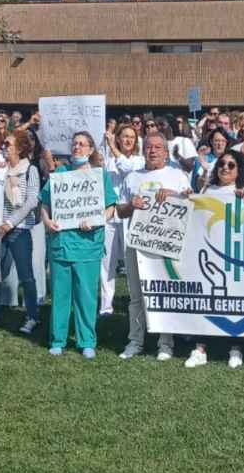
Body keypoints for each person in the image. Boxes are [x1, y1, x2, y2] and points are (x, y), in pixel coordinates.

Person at [38, 132, 117, 358]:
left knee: (86, 295)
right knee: (61, 295)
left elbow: (111, 208)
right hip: (61, 244)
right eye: (74, 144)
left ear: (91, 150)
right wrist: (47, 221)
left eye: (82, 144)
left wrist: (96, 221)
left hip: (88, 245)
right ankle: (58, 339)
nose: (77, 147)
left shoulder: (98, 176)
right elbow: (44, 203)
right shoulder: (60, 174)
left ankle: (87, 341)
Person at [117, 132, 191, 359]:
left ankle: (165, 344)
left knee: (163, 293)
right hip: (137, 243)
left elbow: (191, 202)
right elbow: (119, 210)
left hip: (165, 244)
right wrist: (131, 205)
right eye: (148, 147)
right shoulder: (131, 177)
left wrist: (175, 195)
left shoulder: (177, 175)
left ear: (166, 153)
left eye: (158, 147)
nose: (152, 151)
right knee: (136, 296)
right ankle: (135, 341)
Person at [185, 149, 244, 369]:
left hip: (236, 255)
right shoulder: (207, 189)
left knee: (236, 300)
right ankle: (200, 347)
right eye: (222, 164)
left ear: (239, 170)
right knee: (207, 298)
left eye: (231, 165)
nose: (225, 168)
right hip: (209, 251)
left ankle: (235, 348)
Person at [0, 130, 42, 335]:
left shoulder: (30, 170)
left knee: (26, 276)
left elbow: (32, 201)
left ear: (20, 148)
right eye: (4, 144)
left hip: (19, 230)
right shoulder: (1, 169)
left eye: (8, 144)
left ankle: (32, 316)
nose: (4, 147)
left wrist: (11, 222)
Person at [101, 124, 144, 318]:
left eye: (132, 137)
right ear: (117, 138)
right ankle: (105, 306)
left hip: (128, 215)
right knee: (106, 263)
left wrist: (113, 148)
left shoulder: (139, 161)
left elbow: (126, 168)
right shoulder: (107, 161)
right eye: (124, 136)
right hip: (109, 215)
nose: (128, 140)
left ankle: (135, 304)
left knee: (131, 262)